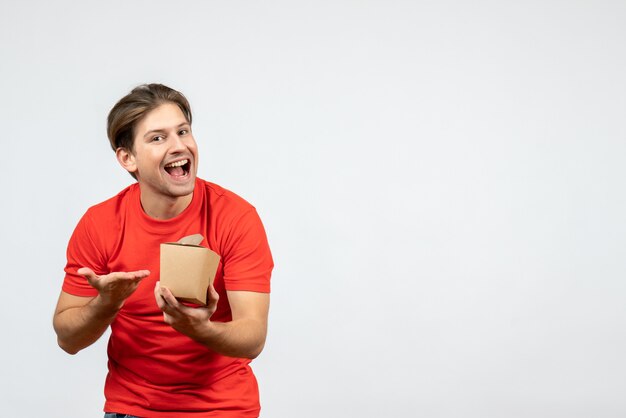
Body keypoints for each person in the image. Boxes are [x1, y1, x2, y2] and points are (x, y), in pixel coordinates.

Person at [53, 84, 274, 418]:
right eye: (158, 138)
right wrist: (106, 303)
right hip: (132, 409)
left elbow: (253, 337)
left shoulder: (235, 218)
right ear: (127, 158)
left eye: (183, 131)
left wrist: (200, 328)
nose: (179, 145)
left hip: (223, 409)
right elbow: (68, 340)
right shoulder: (100, 224)